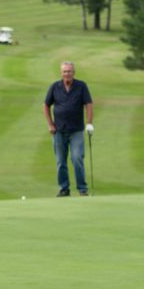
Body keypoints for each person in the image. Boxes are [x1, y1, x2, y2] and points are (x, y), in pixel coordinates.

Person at [43, 61, 94, 196]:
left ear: (73, 73)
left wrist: (89, 123)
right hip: (58, 130)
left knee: (77, 158)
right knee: (61, 161)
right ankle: (64, 189)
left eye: (69, 71)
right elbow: (46, 105)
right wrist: (50, 124)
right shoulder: (55, 87)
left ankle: (82, 189)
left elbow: (88, 104)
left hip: (76, 130)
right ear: (61, 73)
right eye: (65, 71)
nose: (67, 74)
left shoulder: (81, 86)